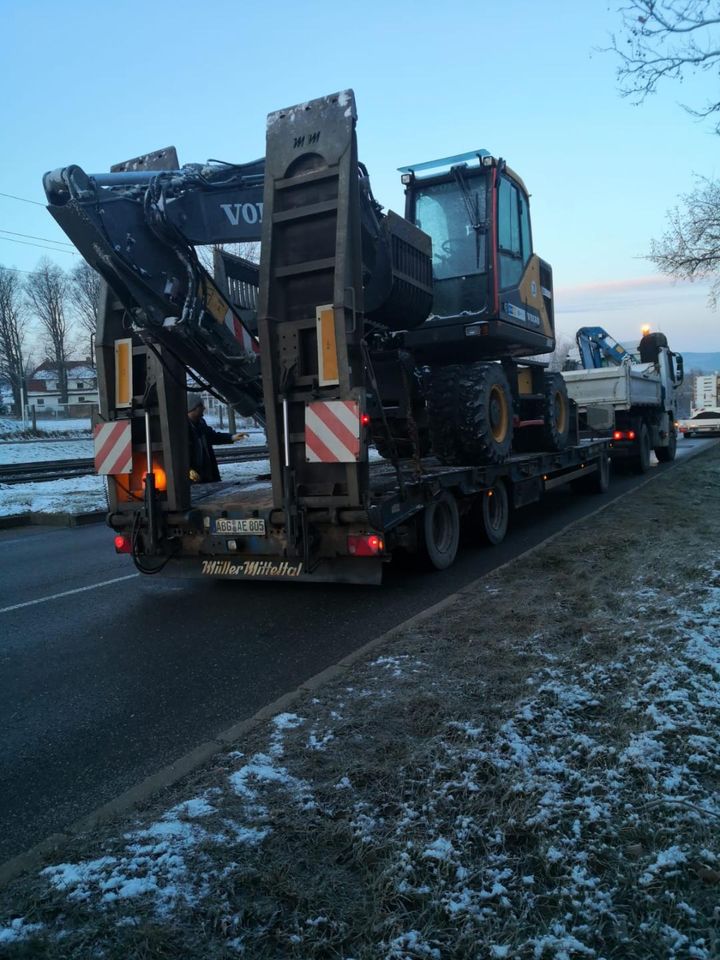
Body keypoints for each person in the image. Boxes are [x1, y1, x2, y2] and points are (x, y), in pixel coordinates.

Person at [187, 394, 247, 483]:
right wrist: (187, 469)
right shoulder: (182, 427)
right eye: (201, 405)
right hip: (193, 477)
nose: (204, 408)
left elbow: (212, 436)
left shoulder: (201, 423)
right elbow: (177, 453)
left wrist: (232, 437)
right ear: (194, 407)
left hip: (206, 475)